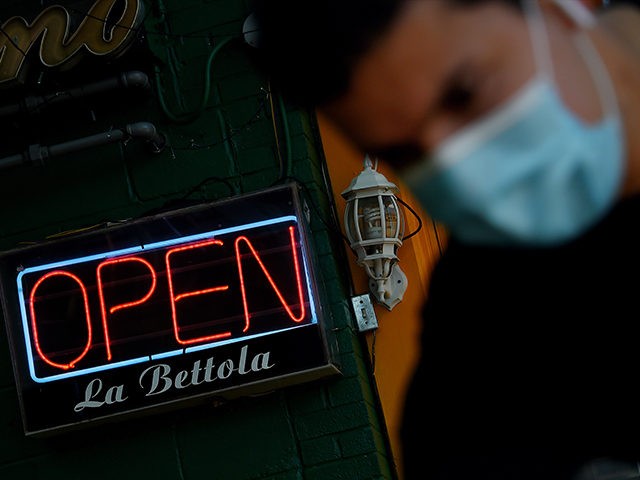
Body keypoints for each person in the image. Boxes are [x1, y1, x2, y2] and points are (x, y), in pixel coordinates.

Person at [249, 1, 640, 479]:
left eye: (463, 94)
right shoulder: (488, 324)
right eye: (407, 153)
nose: (468, 181)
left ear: (553, 10)